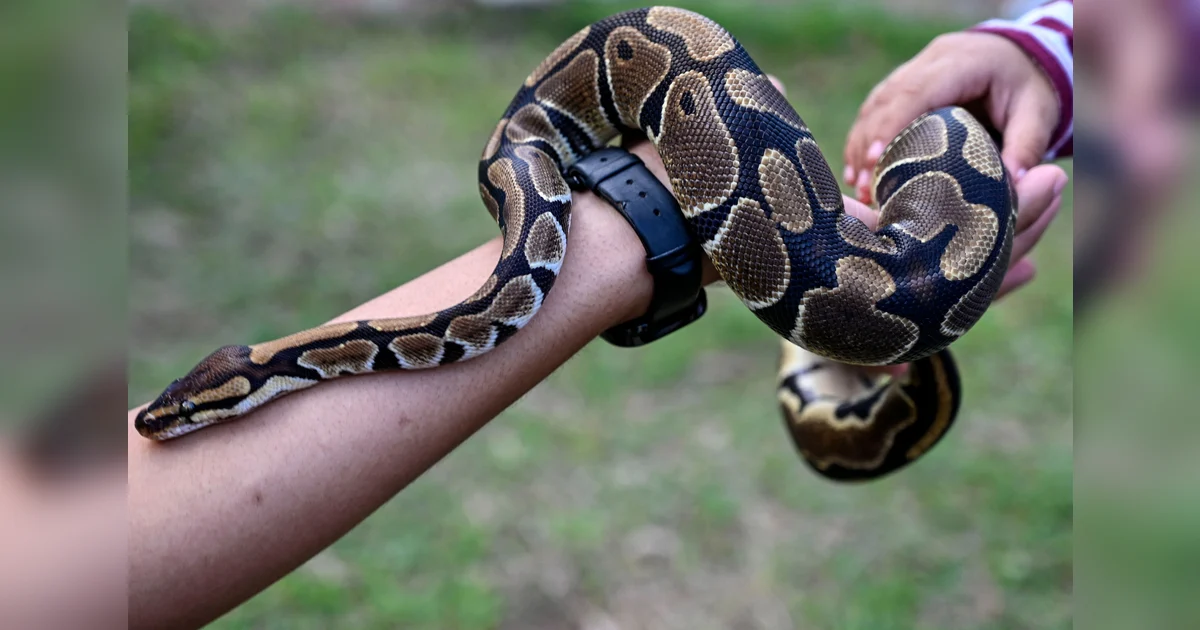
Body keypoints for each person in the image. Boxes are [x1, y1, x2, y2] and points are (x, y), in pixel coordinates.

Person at [127, 21, 1072, 630]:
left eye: (184, 411)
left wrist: (1049, 45)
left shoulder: (522, 166)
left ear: (241, 384)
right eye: (183, 415)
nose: (167, 419)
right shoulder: (517, 173)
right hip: (830, 210)